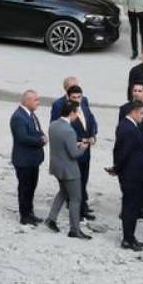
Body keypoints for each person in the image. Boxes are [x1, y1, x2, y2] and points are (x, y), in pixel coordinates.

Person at [50, 82, 98, 221]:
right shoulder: (63, 108)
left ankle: (82, 208)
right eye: (74, 97)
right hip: (73, 152)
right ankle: (78, 215)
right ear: (68, 97)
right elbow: (60, 129)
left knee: (84, 180)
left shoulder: (85, 104)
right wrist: (78, 143)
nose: (77, 99)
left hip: (86, 150)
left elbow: (91, 120)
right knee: (74, 187)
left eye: (79, 97)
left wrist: (93, 135)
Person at [46, 101, 91, 239]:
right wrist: (83, 147)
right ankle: (75, 229)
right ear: (72, 113)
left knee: (63, 192)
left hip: (56, 166)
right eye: (76, 113)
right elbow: (74, 154)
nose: (77, 116)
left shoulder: (53, 125)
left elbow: (61, 145)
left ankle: (51, 219)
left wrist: (75, 144)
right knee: (75, 199)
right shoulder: (69, 130)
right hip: (69, 170)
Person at [112, 101, 143, 251]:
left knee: (132, 206)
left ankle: (131, 236)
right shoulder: (129, 129)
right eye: (142, 113)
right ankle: (128, 238)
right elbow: (123, 153)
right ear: (133, 112)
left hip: (133, 172)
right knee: (130, 207)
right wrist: (117, 168)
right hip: (131, 174)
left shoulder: (130, 126)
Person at [10, 90, 48, 225]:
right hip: (23, 160)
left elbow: (38, 130)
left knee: (32, 187)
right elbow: (22, 138)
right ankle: (24, 215)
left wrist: (43, 136)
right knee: (25, 188)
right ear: (27, 101)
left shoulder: (31, 115)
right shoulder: (18, 117)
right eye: (36, 100)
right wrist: (40, 141)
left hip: (33, 159)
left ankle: (30, 212)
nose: (38, 102)